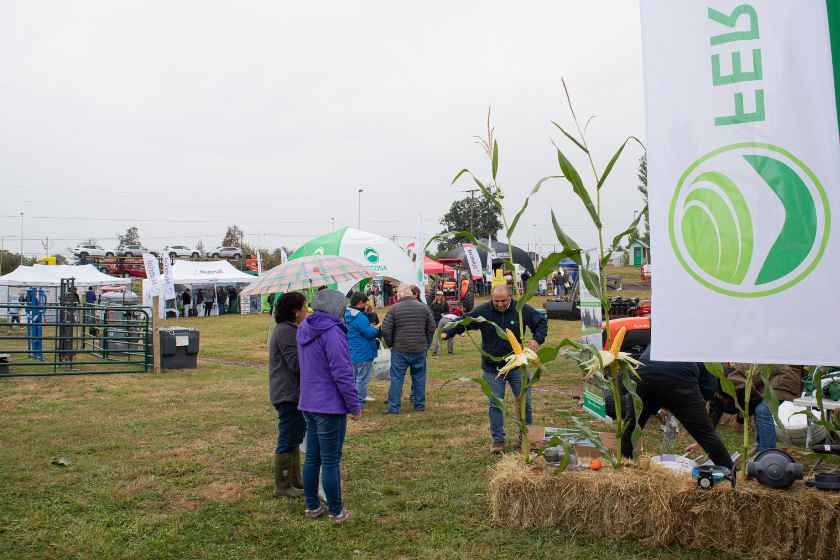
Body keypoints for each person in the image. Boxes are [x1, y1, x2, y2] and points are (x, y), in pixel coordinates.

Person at [443, 284, 547, 453]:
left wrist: (537, 339)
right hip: (493, 368)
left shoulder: (520, 309)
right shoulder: (484, 311)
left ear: (510, 297)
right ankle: (498, 441)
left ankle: (527, 437)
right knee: (495, 404)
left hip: (517, 366)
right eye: (496, 301)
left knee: (525, 402)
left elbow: (541, 322)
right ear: (491, 298)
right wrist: (448, 332)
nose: (499, 304)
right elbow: (465, 321)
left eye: (503, 301)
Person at [297, 288, 360, 523]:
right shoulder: (332, 332)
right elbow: (343, 373)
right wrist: (354, 405)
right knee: (330, 459)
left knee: (313, 457)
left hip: (309, 403)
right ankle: (336, 511)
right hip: (329, 406)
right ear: (337, 308)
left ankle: (312, 506)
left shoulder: (305, 327)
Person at [619, 346, 734, 470]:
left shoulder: (663, 336)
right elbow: (709, 389)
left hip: (643, 374)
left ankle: (624, 468)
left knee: (631, 427)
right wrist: (693, 407)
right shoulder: (705, 349)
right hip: (679, 379)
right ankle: (729, 474)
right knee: (705, 434)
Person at [708, 363, 805, 454]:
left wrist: (740, 418)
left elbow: (754, 399)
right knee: (759, 408)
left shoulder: (731, 377)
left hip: (785, 377)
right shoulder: (715, 383)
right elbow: (715, 408)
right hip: (771, 379)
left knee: (762, 410)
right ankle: (761, 447)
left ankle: (766, 453)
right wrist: (706, 435)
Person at [269, 292, 308, 498]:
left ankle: (294, 479)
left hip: (294, 392)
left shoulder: (291, 329)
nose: (307, 310)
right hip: (287, 393)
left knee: (296, 435)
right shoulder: (286, 331)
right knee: (288, 436)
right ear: (295, 310)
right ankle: (283, 485)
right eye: (304, 306)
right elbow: (296, 363)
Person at [381, 284, 436, 414]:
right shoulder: (424, 308)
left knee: (396, 378)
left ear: (399, 295)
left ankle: (394, 407)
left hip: (399, 349)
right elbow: (432, 327)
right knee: (419, 377)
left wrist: (391, 344)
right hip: (419, 348)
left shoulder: (394, 309)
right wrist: (426, 344)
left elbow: (386, 329)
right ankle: (419, 405)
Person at [344, 292, 380, 407]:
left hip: (352, 350)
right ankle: (358, 402)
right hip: (363, 351)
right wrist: (377, 330)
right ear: (360, 303)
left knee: (353, 378)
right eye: (365, 303)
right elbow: (369, 333)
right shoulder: (359, 316)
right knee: (362, 378)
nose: (366, 305)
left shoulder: (346, 313)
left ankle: (353, 399)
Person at [428, 291, 454, 356]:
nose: (438, 296)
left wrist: (444, 314)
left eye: (439, 295)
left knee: (450, 335)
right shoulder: (433, 304)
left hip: (444, 320)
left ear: (442, 296)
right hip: (436, 321)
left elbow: (448, 313)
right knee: (437, 336)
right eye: (437, 295)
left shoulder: (445, 304)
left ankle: (450, 351)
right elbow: (430, 312)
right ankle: (435, 351)